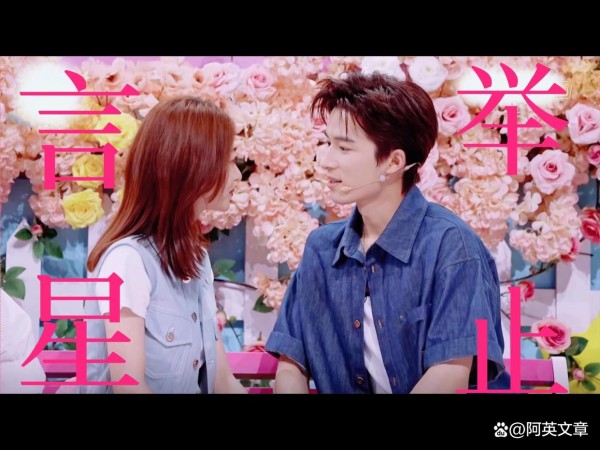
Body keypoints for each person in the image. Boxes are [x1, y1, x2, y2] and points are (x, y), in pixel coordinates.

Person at [265, 72, 506, 393]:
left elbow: (449, 373)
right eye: (327, 143)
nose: (326, 161)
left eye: (344, 148)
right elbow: (291, 364)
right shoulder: (321, 248)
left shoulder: (450, 245)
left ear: (393, 162)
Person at [83, 96, 245, 394]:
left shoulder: (196, 259)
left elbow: (222, 380)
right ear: (193, 166)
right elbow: (129, 388)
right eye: (230, 160)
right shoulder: (128, 261)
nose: (237, 175)